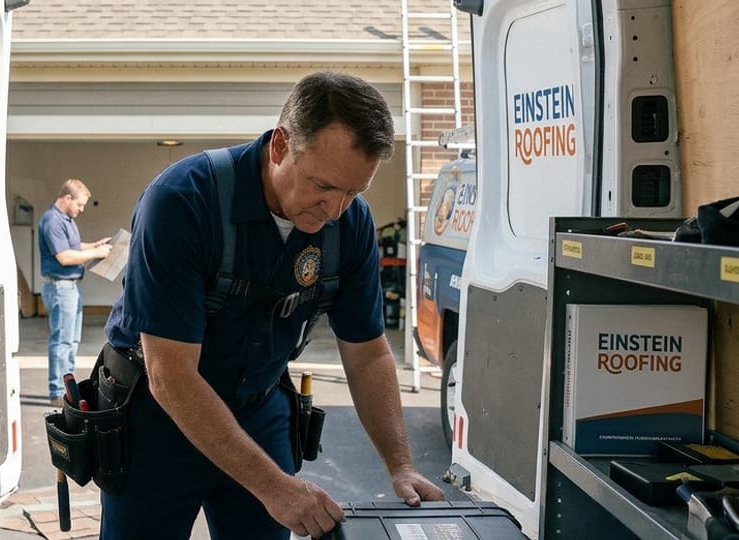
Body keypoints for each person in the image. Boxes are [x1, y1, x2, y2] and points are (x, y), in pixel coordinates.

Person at [101, 71, 445, 539]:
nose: (336, 211)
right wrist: (275, 488)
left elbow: (367, 355)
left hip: (259, 407)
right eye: (324, 186)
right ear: (280, 146)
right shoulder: (183, 201)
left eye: (353, 192)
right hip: (157, 418)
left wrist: (401, 465)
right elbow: (172, 376)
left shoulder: (350, 224)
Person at [38, 178, 112, 407]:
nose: (81, 209)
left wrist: (94, 245)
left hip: (70, 288)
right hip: (61, 287)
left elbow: (73, 247)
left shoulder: (66, 220)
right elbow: (65, 256)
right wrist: (97, 253)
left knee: (71, 341)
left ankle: (67, 390)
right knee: (62, 342)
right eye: (79, 204)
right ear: (67, 198)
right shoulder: (52, 220)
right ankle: (58, 392)